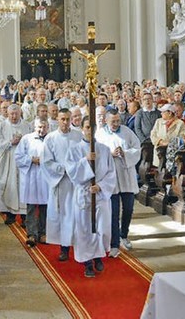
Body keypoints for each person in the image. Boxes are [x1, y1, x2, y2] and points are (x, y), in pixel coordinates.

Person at [66, 116, 115, 277]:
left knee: (102, 228)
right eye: (86, 127)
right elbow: (71, 171)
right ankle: (87, 263)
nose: (89, 130)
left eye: (92, 127)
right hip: (84, 194)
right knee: (85, 229)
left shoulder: (104, 149)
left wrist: (100, 186)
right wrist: (85, 161)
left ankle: (98, 256)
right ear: (82, 129)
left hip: (100, 195)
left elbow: (111, 173)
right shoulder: (74, 149)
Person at [95, 109, 141, 258]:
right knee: (113, 213)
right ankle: (114, 244)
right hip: (110, 178)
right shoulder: (100, 134)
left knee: (128, 208)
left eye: (117, 121)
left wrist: (125, 153)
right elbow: (97, 153)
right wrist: (110, 154)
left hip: (126, 175)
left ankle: (124, 235)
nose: (115, 124)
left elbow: (137, 149)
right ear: (106, 121)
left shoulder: (127, 132)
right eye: (112, 121)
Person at [42, 108, 82, 261]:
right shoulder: (51, 138)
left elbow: (84, 156)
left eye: (67, 119)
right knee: (63, 215)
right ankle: (64, 247)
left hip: (77, 182)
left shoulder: (78, 136)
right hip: (60, 182)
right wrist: (63, 169)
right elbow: (46, 161)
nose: (65, 122)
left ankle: (80, 247)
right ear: (57, 119)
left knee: (78, 215)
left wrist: (77, 171)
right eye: (62, 119)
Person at [0, 104, 31, 225]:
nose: (13, 116)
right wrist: (10, 142)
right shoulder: (1, 126)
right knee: (8, 185)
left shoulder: (27, 126)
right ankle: (9, 214)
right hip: (7, 159)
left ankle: (24, 216)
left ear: (20, 113)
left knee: (23, 186)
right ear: (7, 113)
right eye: (11, 113)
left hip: (23, 161)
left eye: (16, 113)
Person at [14, 118, 49, 247]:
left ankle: (43, 232)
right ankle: (32, 234)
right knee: (31, 207)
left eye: (44, 127)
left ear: (48, 127)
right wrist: (31, 160)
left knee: (45, 207)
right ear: (34, 127)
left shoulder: (51, 139)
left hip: (46, 178)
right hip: (31, 177)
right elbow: (18, 156)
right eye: (39, 127)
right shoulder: (26, 139)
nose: (41, 129)